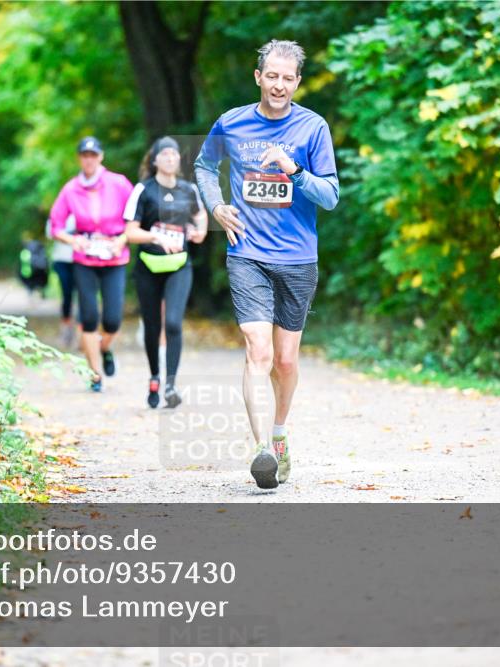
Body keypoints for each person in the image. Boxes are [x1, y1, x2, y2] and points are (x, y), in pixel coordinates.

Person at [193, 40, 339, 489]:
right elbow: (203, 165)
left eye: (287, 78)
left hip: (297, 258)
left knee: (286, 361)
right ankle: (261, 455)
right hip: (247, 252)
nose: (279, 84)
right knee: (257, 351)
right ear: (258, 77)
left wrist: (294, 170)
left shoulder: (313, 128)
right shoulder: (232, 123)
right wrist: (216, 206)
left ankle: (278, 435)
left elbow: (330, 197)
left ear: (297, 82)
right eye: (271, 76)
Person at [124, 137, 208, 409]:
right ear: (155, 159)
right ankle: (154, 377)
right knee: (152, 326)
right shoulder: (143, 190)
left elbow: (201, 215)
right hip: (149, 266)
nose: (171, 158)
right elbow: (130, 232)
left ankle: (171, 384)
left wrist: (199, 231)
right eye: (165, 153)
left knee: (172, 323)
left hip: (179, 266)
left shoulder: (189, 189)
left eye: (174, 154)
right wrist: (156, 238)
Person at [49, 136, 134, 392]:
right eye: (84, 155)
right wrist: (73, 240)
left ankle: (104, 348)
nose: (89, 160)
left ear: (101, 157)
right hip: (85, 258)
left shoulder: (118, 183)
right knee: (88, 316)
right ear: (79, 159)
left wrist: (122, 239)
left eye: (93, 155)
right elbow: (56, 226)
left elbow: (137, 217)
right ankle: (95, 374)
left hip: (114, 256)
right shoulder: (71, 189)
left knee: (112, 320)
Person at [46, 215, 79, 349]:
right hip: (62, 260)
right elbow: (50, 233)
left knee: (83, 296)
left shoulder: (82, 209)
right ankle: (66, 329)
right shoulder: (57, 213)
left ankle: (81, 333)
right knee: (67, 294)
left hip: (80, 259)